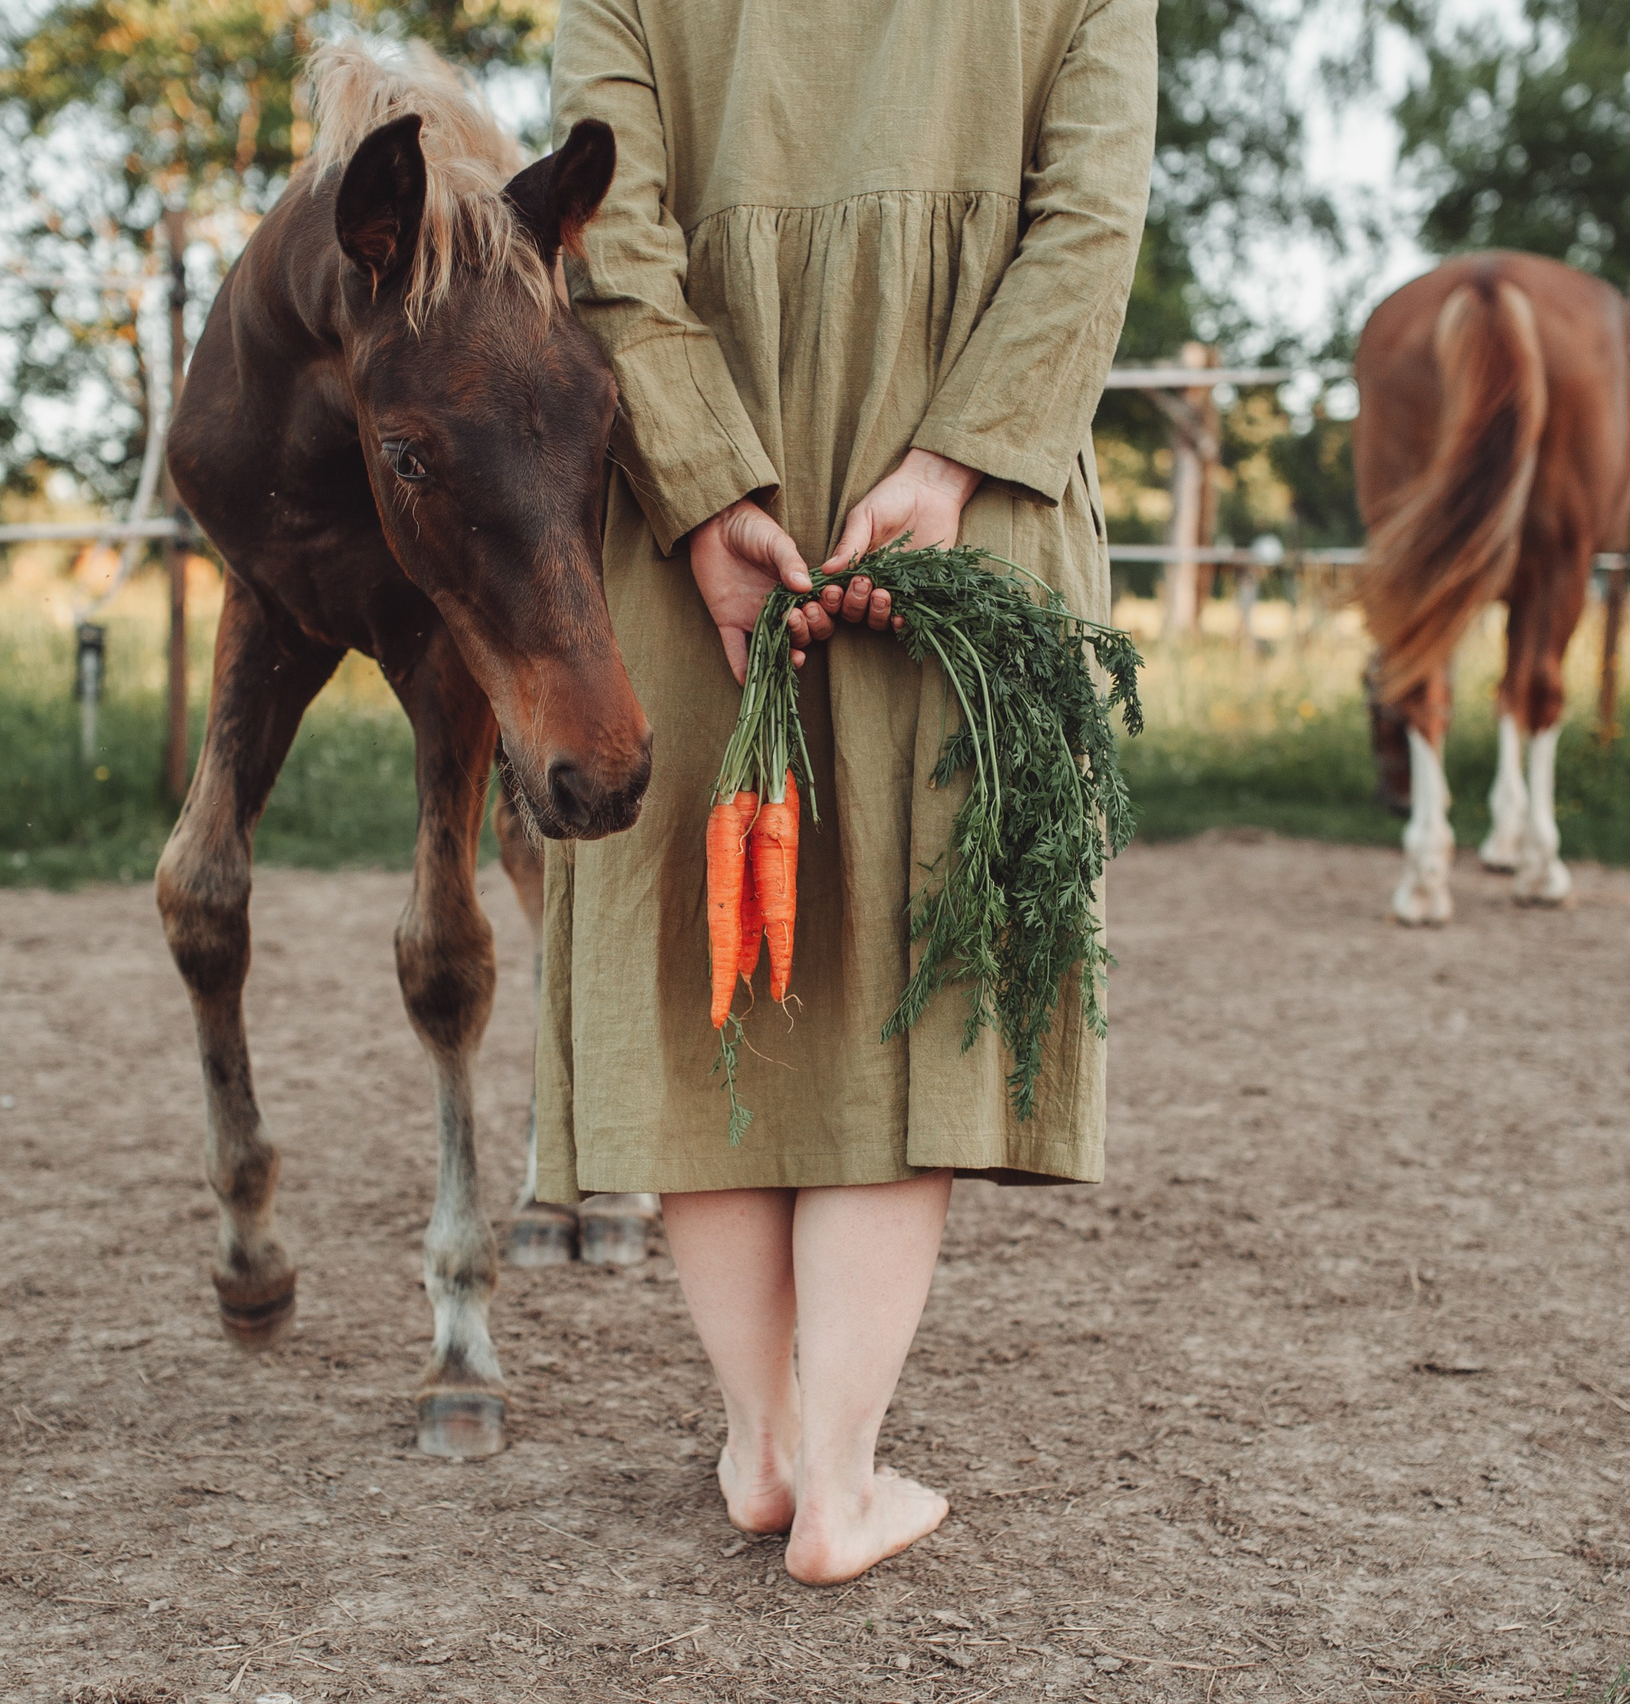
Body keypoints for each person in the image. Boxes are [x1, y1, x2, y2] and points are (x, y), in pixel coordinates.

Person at [535, 0, 1156, 1584]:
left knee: (709, 979)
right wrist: (950, 465)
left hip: (691, 516)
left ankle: (761, 1444)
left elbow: (610, 235)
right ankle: (841, 1481)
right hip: (963, 501)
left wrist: (703, 498)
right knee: (904, 971)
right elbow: (1089, 224)